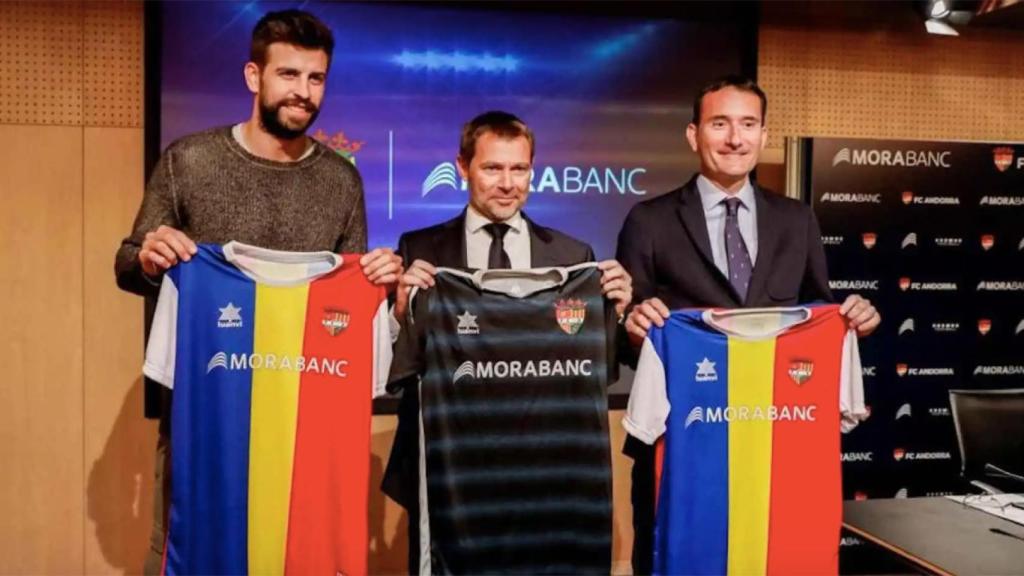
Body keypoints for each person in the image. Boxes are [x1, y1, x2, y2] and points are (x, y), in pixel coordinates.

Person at [113, 10, 401, 574]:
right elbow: (128, 262)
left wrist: (380, 280)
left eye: (316, 79)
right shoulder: (188, 160)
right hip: (206, 423)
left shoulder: (342, 180)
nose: (303, 93)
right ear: (254, 76)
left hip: (304, 433)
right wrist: (150, 258)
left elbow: (344, 300)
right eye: (289, 75)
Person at [616, 75, 880, 574]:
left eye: (747, 125)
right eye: (719, 124)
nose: (735, 139)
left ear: (764, 136)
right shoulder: (648, 221)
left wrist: (852, 323)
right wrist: (633, 329)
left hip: (775, 444)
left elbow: (818, 314)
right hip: (684, 447)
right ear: (694, 135)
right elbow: (626, 335)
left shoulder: (796, 219)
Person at [381, 110, 633, 574]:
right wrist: (401, 314)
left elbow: (595, 362)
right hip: (450, 473)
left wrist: (617, 311)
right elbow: (401, 367)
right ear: (463, 167)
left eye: (519, 169)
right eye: (492, 168)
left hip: (545, 473)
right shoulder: (420, 250)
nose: (507, 183)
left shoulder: (572, 256)